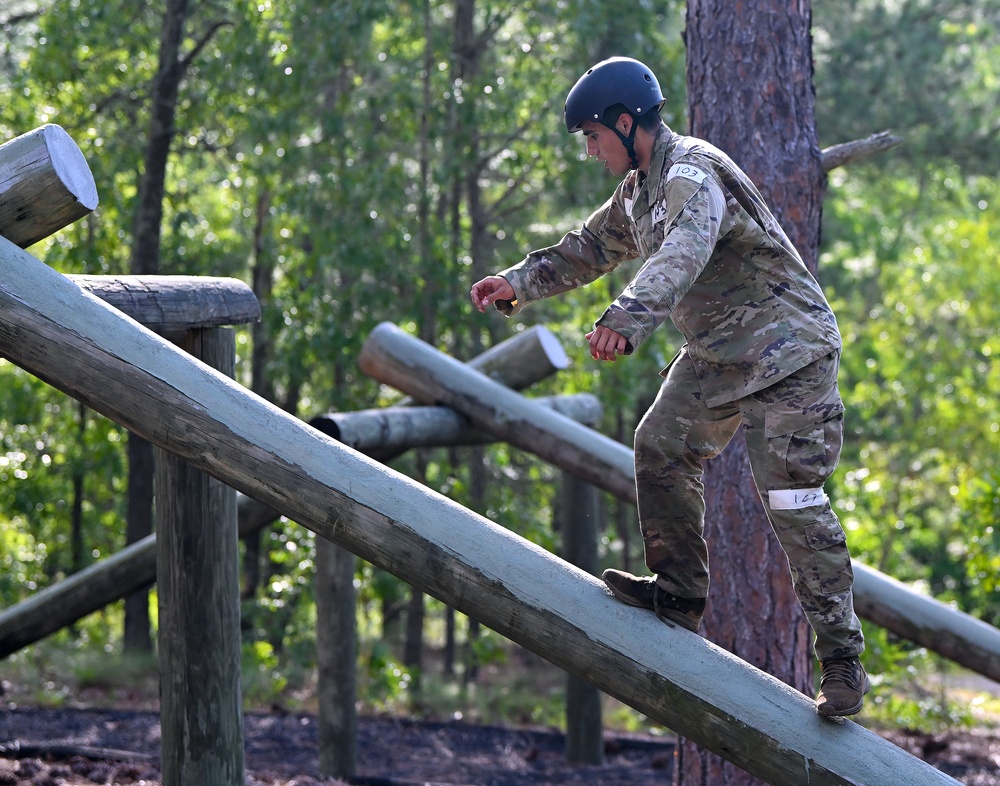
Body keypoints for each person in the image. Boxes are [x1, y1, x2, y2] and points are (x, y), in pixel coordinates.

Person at [470, 57, 869, 717]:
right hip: (718, 353)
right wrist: (518, 281)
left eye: (594, 136)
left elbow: (684, 252)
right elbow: (589, 248)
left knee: (793, 503)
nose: (591, 152)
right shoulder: (637, 191)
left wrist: (625, 321)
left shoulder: (692, 174)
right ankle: (680, 592)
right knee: (660, 442)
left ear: (627, 123)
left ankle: (844, 665)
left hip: (788, 355)